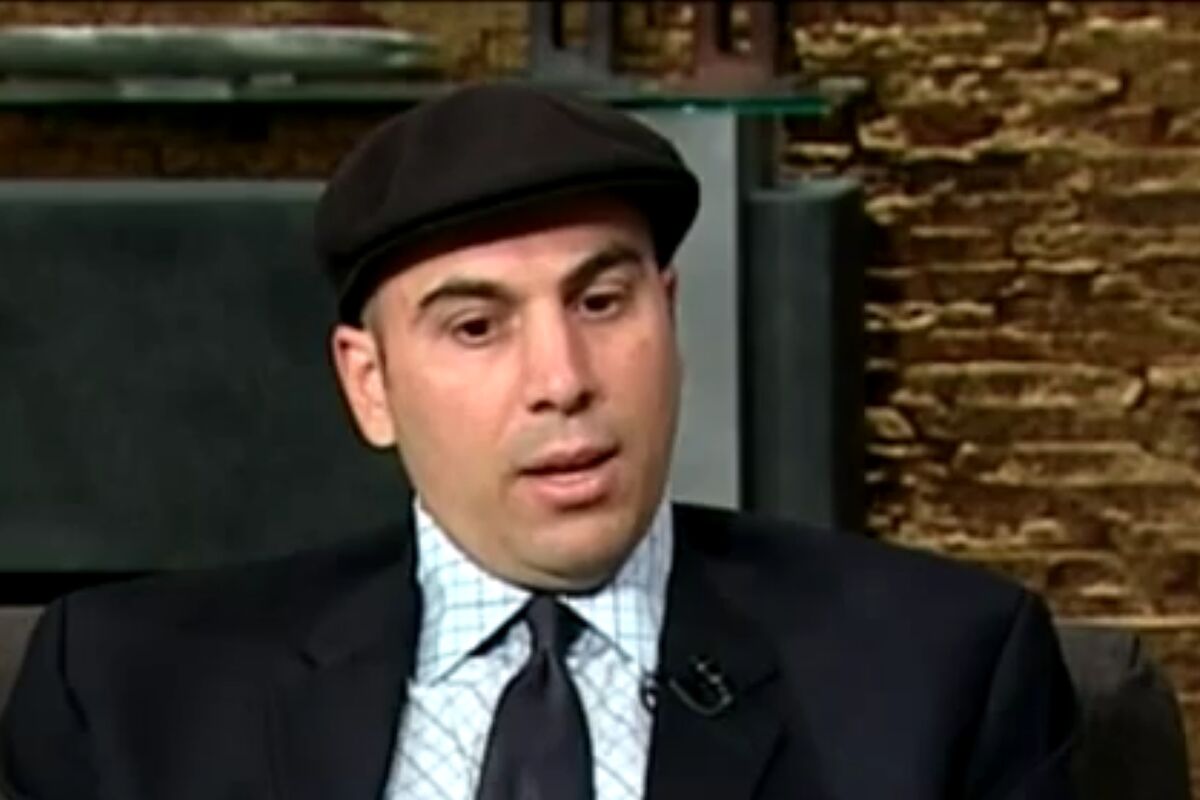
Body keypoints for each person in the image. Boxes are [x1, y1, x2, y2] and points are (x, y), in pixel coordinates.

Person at [0, 83, 1076, 800]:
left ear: (670, 316)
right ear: (370, 384)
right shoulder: (130, 692)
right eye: (477, 327)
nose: (562, 380)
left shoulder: (940, 673)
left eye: (602, 303)